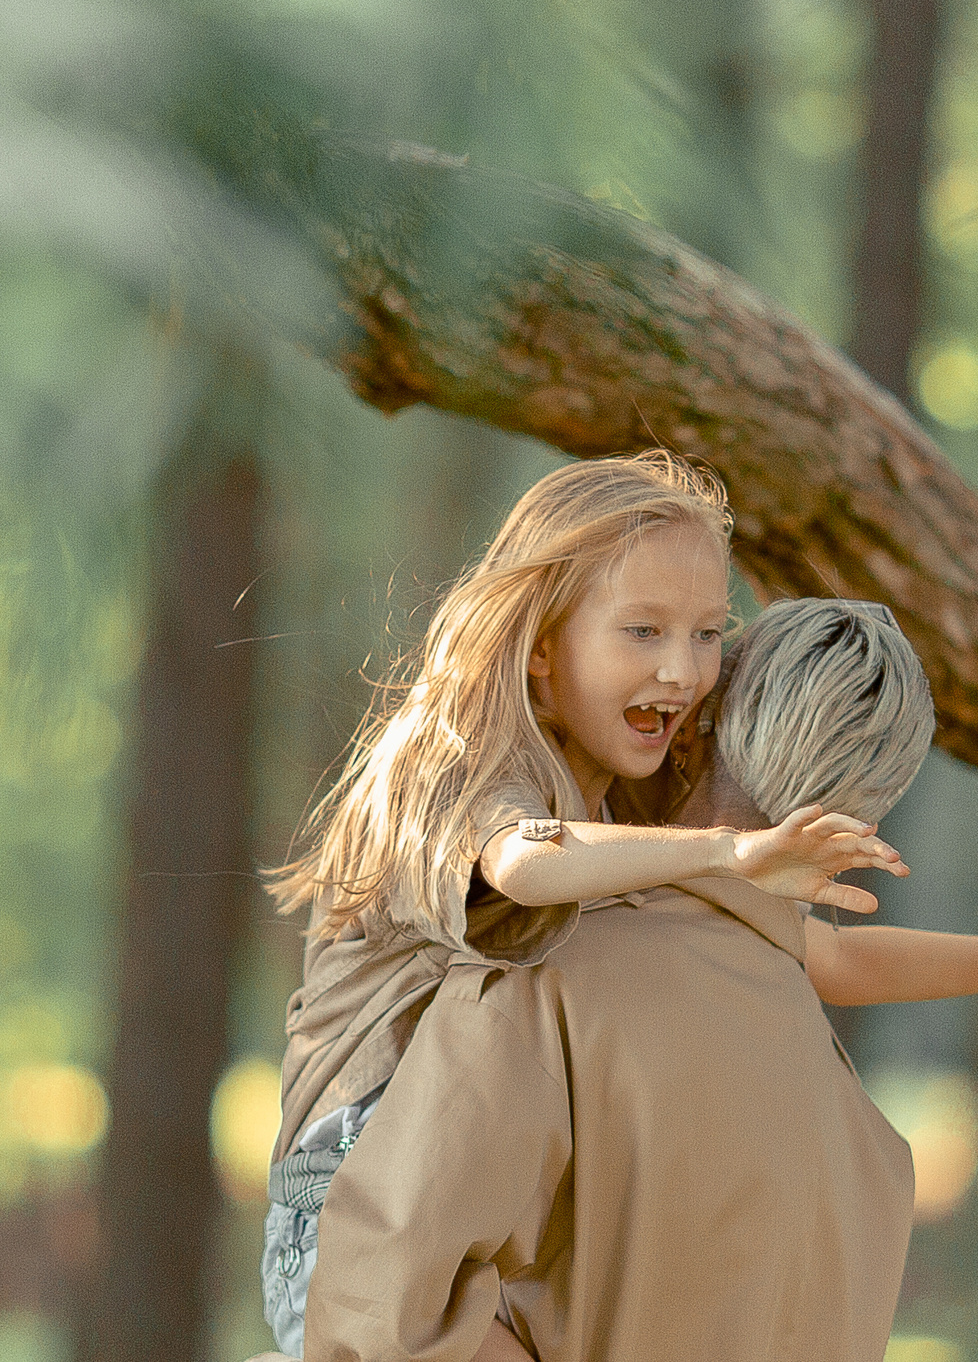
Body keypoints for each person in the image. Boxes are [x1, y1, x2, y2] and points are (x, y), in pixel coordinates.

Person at [289, 592, 978, 1362]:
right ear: (860, 824)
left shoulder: (546, 972)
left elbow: (373, 1309)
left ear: (698, 725)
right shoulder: (870, 1162)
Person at [258, 453, 907, 1360]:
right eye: (643, 631)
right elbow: (522, 861)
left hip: (452, 1171)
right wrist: (731, 849)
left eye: (709, 633)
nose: (682, 671)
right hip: (347, 1201)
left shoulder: (608, 801)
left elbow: (826, 957)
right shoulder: (460, 762)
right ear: (540, 643)